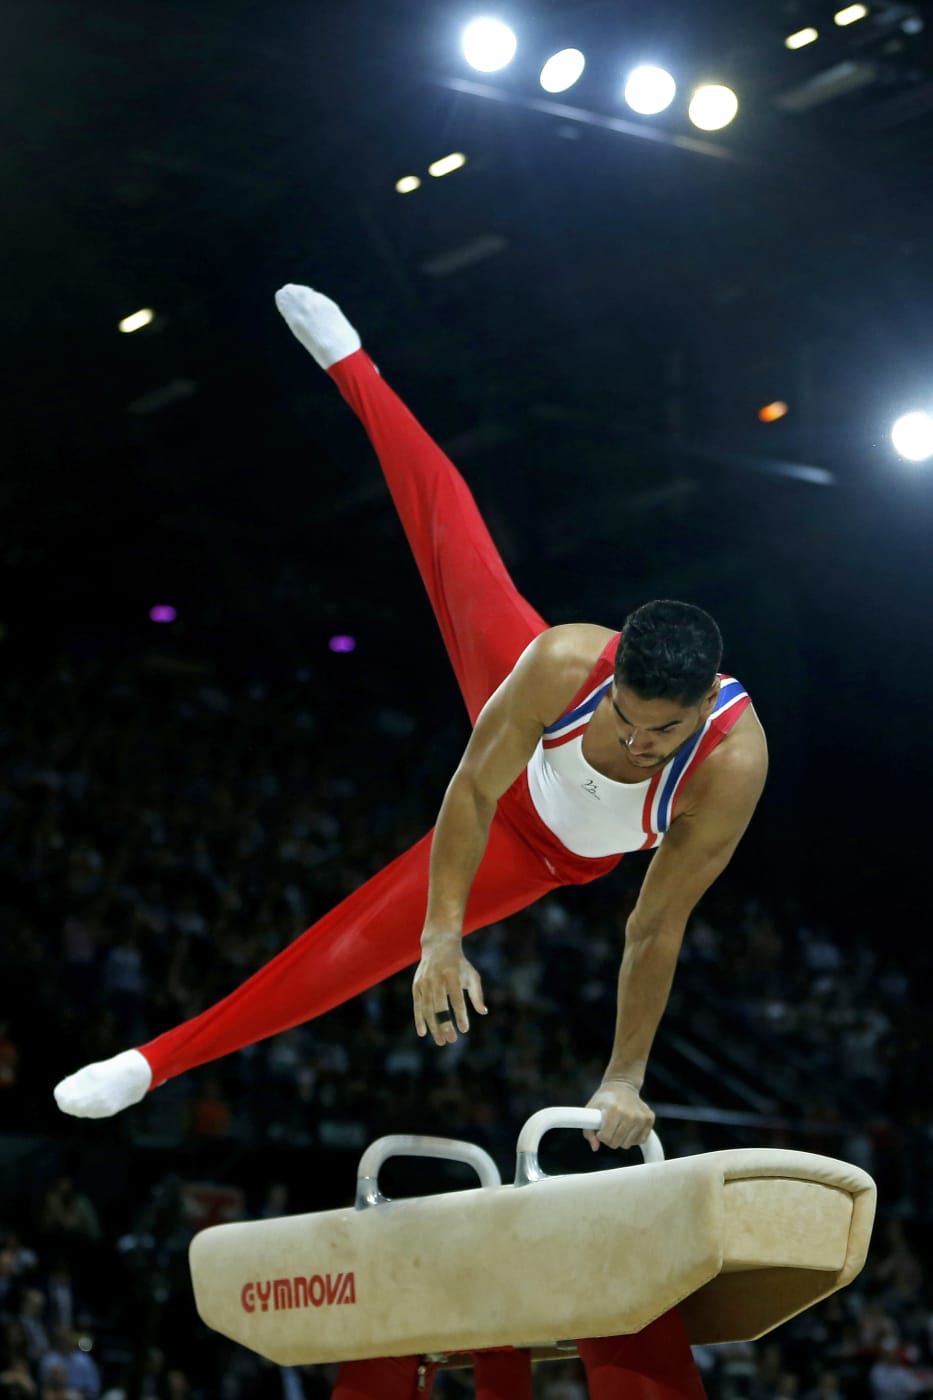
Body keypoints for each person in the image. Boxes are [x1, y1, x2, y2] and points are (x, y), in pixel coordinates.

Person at [54, 284, 768, 1154]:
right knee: (452, 531)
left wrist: (624, 1076)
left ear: (705, 703)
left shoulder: (732, 766)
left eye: (662, 734)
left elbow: (654, 924)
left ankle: (151, 1064)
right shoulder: (560, 664)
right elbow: (469, 792)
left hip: (542, 855)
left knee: (349, 950)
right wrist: (443, 933)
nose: (636, 742)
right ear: (611, 670)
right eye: (626, 718)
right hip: (506, 753)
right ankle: (352, 365)